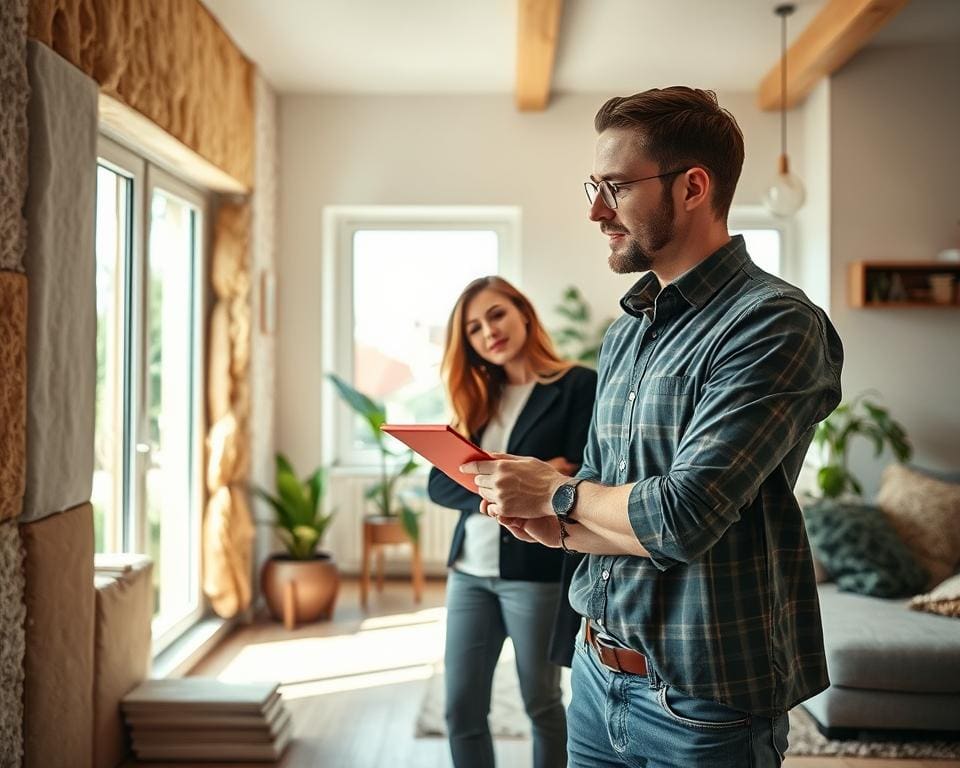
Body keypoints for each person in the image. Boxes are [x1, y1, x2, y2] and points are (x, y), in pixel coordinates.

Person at [461, 87, 844, 768]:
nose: (594, 210)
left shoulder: (774, 323)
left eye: (614, 187)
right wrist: (550, 518)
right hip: (597, 674)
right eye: (593, 185)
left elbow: (682, 516)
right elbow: (605, 494)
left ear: (693, 187)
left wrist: (554, 494)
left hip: (704, 699)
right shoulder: (625, 334)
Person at [427, 275, 597, 768]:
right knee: (460, 709)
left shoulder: (577, 385)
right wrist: (525, 481)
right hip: (469, 573)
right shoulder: (478, 396)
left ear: (523, 311)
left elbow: (585, 476)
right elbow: (439, 484)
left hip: (535, 573)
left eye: (496, 314)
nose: (488, 332)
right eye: (475, 328)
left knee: (542, 704)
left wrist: (539, 482)